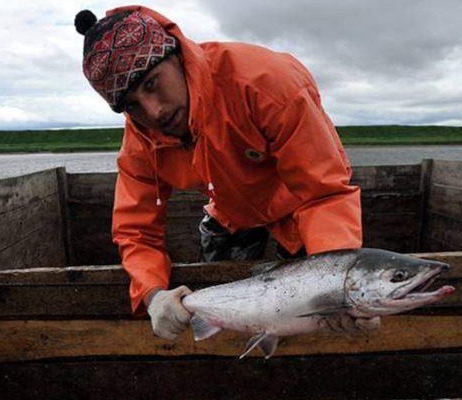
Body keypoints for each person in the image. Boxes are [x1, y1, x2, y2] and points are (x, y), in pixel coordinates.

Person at [75, 6, 374, 341]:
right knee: (223, 315)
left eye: (152, 83)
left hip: (300, 209)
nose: (153, 111)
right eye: (131, 105)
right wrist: (152, 294)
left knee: (314, 320)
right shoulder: (142, 139)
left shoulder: (267, 84)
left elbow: (323, 194)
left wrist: (335, 286)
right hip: (229, 212)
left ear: (175, 54)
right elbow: (136, 232)